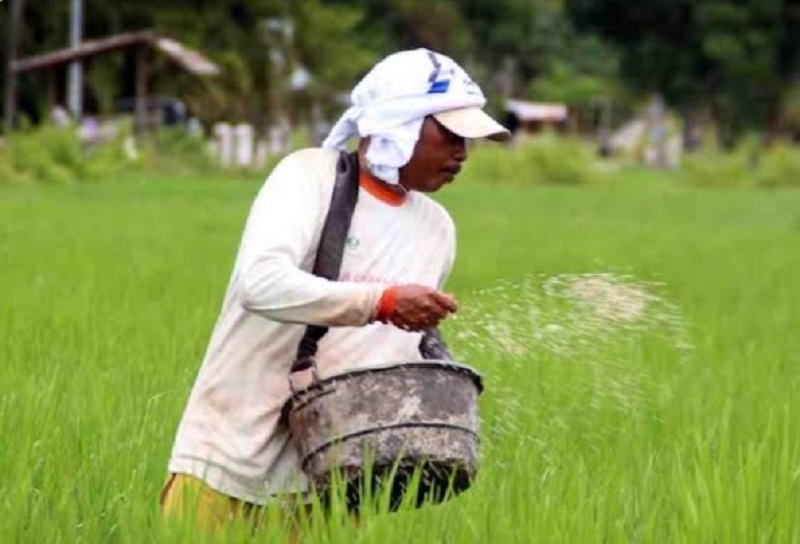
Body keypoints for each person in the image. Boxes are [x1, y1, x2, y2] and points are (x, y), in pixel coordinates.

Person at [161, 48, 509, 532]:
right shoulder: (310, 178)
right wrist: (382, 301)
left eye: (468, 140)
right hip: (228, 460)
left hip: (334, 483)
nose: (462, 153)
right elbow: (259, 283)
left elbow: (394, 351)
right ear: (397, 124)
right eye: (450, 135)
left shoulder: (437, 229)